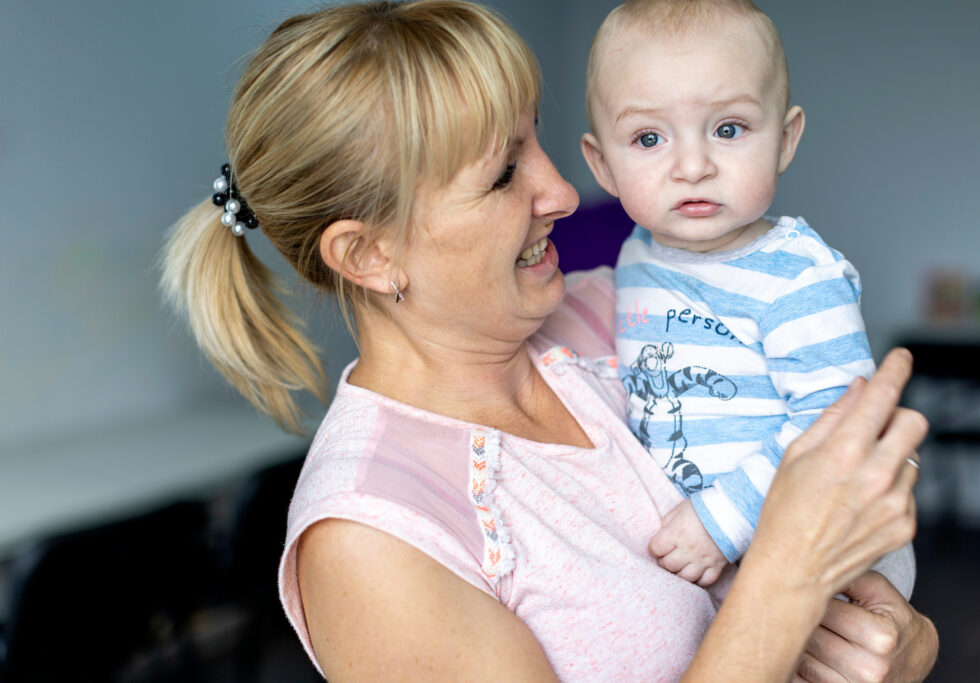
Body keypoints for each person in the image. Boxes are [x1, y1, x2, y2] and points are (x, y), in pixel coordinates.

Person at [160, 1, 937, 680]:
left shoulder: (621, 306)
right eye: (503, 175)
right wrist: (786, 581)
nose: (564, 192)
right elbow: (799, 544)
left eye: (537, 140)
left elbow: (850, 470)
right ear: (370, 255)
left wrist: (907, 644)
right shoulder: (371, 539)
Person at [580, 0, 887, 589]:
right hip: (695, 556)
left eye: (728, 129)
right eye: (648, 138)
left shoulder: (798, 276)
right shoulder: (635, 256)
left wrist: (723, 521)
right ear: (602, 165)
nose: (693, 165)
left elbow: (838, 423)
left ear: (785, 139)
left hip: (801, 555)